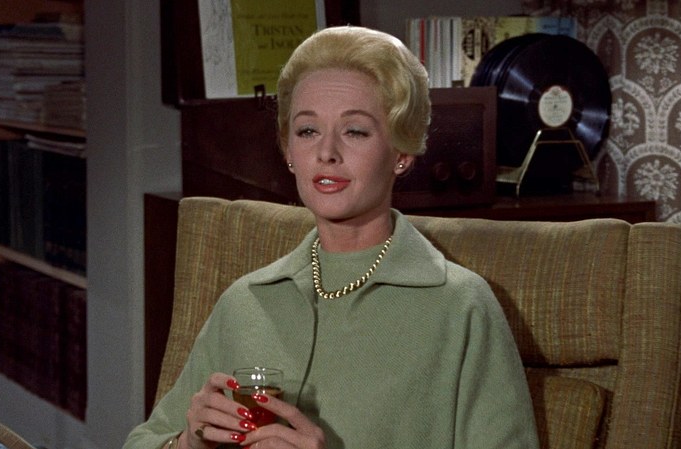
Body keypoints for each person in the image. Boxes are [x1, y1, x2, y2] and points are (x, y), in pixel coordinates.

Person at [124, 25, 539, 449]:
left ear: (402, 152)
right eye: (307, 131)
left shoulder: (462, 307)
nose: (326, 153)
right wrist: (188, 443)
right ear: (288, 151)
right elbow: (143, 441)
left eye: (355, 131)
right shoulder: (244, 301)